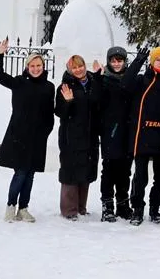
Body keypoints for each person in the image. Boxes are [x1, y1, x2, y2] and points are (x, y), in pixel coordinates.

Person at [0, 40, 54, 223]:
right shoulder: (19, 83)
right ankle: (11, 207)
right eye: (32, 65)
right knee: (20, 172)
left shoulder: (48, 87)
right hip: (18, 136)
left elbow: (49, 113)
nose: (36, 68)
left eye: (39, 65)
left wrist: (46, 131)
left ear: (43, 66)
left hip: (37, 138)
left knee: (30, 175)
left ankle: (23, 208)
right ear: (27, 67)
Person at [127, 46, 160, 226]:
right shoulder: (142, 81)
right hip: (142, 136)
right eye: (158, 59)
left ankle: (154, 208)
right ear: (152, 62)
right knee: (140, 176)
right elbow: (125, 84)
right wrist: (138, 62)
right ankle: (137, 209)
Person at [97, 45, 141, 222]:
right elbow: (101, 99)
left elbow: (129, 91)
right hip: (110, 131)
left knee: (125, 171)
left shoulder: (132, 80)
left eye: (120, 60)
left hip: (128, 130)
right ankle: (107, 205)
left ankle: (123, 204)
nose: (116, 64)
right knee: (109, 170)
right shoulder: (104, 79)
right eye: (113, 60)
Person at [54, 54, 101, 220]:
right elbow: (60, 113)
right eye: (74, 67)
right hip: (71, 136)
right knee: (70, 171)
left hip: (90, 134)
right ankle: (69, 210)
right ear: (70, 69)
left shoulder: (93, 82)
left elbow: (98, 104)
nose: (78, 69)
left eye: (80, 66)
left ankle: (81, 207)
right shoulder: (65, 86)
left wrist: (99, 76)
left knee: (86, 170)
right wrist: (68, 101)